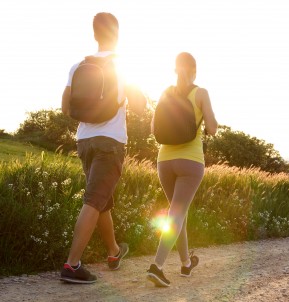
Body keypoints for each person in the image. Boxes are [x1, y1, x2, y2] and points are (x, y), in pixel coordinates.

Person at [60, 12, 146, 284]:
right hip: (111, 141)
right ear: (117, 36)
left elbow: (66, 107)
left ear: (95, 35)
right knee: (95, 200)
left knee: (101, 202)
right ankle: (72, 265)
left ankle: (113, 252)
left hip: (84, 139)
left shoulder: (78, 66)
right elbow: (141, 107)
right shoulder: (122, 67)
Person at [147, 52, 218, 287]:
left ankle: (186, 263)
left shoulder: (166, 92)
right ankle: (156, 266)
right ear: (194, 70)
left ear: (175, 69)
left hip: (164, 160)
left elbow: (153, 126)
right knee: (176, 214)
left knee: (178, 214)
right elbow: (213, 128)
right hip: (190, 161)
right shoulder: (201, 93)